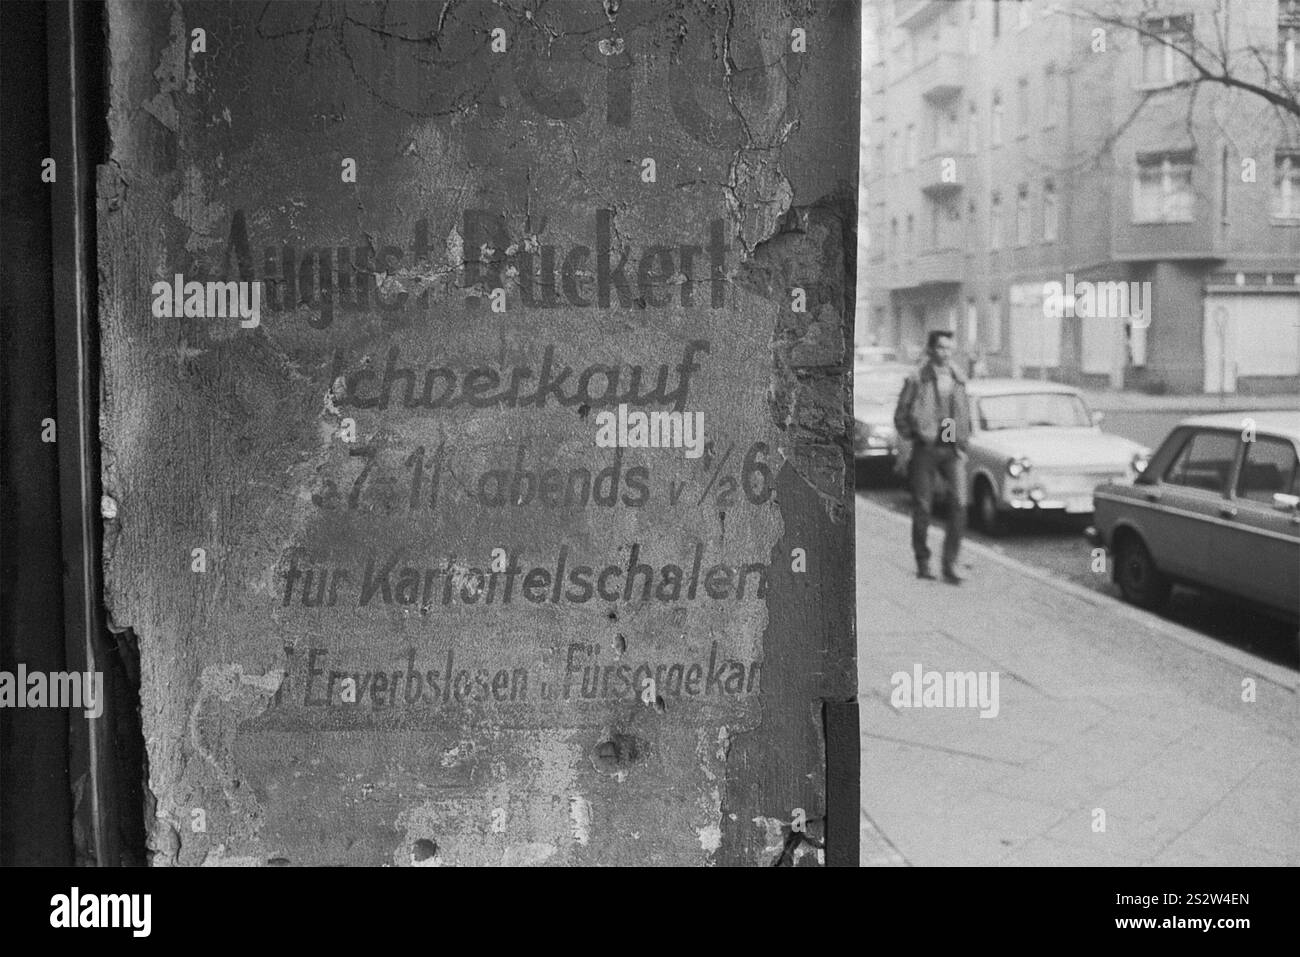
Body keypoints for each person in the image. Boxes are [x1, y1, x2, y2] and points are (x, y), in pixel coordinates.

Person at [893, 330, 972, 584]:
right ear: (930, 349)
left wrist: (961, 442)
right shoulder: (917, 377)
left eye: (949, 348)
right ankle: (923, 561)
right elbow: (901, 414)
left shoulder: (958, 377)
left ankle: (950, 564)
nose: (946, 353)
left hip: (951, 447)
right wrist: (915, 435)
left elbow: (962, 413)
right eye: (941, 348)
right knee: (923, 508)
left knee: (959, 503)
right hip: (925, 448)